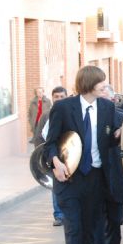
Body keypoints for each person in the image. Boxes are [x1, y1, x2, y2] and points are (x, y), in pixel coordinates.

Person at [45, 65, 122, 244]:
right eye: (101, 82)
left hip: (96, 180)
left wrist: (119, 133)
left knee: (91, 232)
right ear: (89, 83)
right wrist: (56, 162)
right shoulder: (63, 108)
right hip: (69, 180)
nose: (104, 85)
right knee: (74, 232)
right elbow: (50, 144)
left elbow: (108, 140)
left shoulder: (108, 107)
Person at [92, 84, 123, 244]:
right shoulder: (90, 118)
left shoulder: (122, 118)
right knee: (97, 221)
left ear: (113, 100)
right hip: (97, 179)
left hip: (117, 177)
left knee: (114, 221)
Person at [37, 86, 68, 226]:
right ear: (52, 98)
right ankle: (59, 215)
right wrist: (45, 157)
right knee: (57, 185)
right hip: (54, 156)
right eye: (56, 97)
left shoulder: (73, 112)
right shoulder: (46, 115)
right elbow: (39, 137)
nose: (59, 99)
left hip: (70, 154)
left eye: (62, 96)